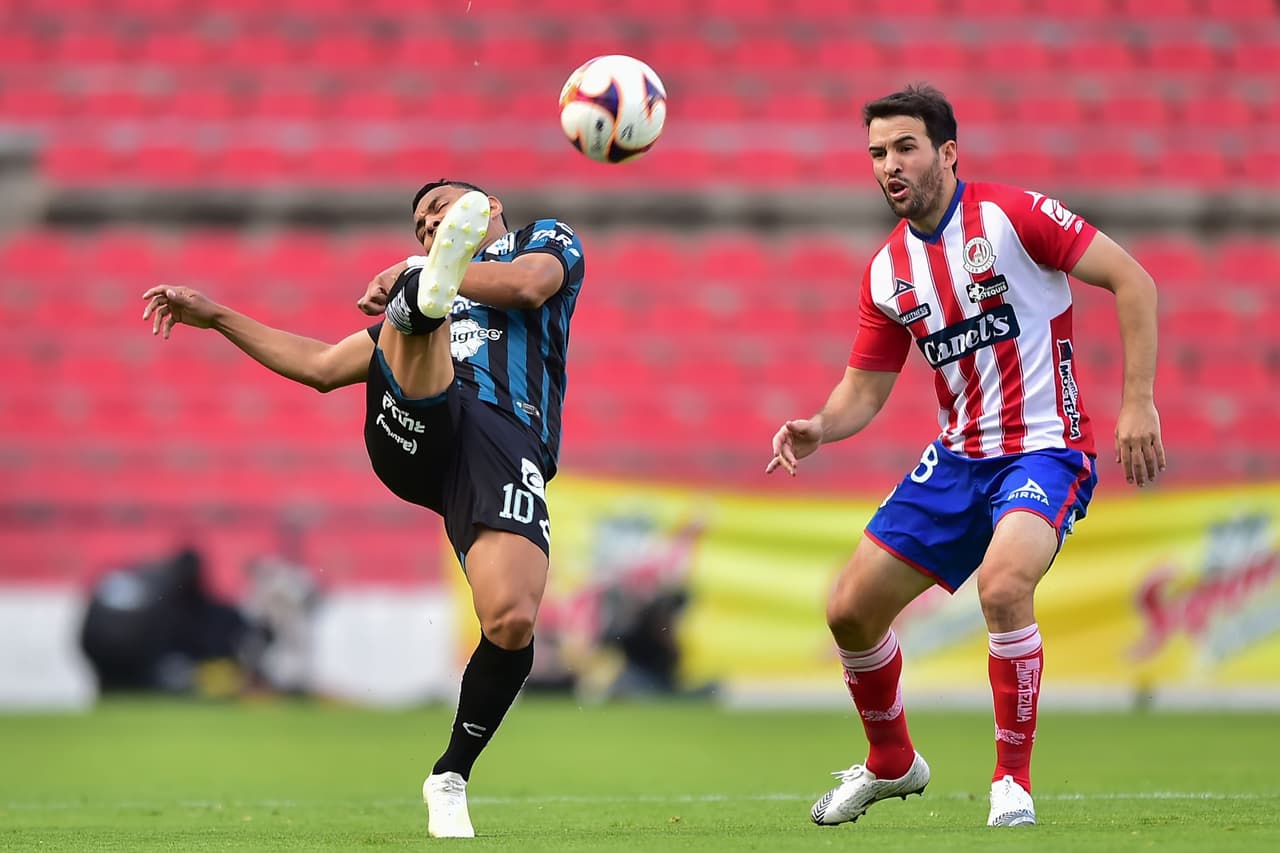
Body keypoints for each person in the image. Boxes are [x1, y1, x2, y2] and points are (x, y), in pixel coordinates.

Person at [766, 85, 1164, 828]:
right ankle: (892, 762)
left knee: (1005, 583)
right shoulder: (887, 271)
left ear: (947, 151)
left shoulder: (1012, 216)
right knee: (848, 610)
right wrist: (822, 424)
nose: (890, 165)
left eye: (905, 147)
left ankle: (1011, 779)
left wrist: (1137, 400)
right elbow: (865, 388)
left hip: (1045, 447)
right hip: (957, 461)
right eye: (878, 152)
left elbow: (1133, 281)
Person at [142, 179, 586, 838]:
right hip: (415, 422)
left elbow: (526, 288)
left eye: (442, 213)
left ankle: (450, 774)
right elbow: (322, 365)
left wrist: (435, 274)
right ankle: (418, 314)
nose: (430, 223)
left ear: (488, 207)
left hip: (504, 440)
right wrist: (219, 315)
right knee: (413, 322)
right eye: (421, 227)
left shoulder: (547, 241)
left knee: (512, 619)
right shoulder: (425, 289)